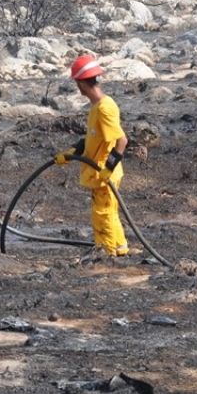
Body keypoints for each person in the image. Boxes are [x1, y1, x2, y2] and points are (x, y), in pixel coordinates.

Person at [54, 55, 131, 258]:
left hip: (105, 174)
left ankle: (106, 253)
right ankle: (119, 246)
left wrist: (108, 168)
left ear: (81, 83)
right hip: (102, 172)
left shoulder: (105, 108)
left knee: (102, 213)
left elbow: (122, 141)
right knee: (109, 211)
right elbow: (93, 138)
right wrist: (72, 152)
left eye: (76, 82)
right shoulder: (97, 106)